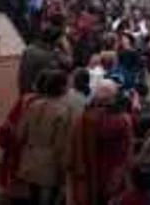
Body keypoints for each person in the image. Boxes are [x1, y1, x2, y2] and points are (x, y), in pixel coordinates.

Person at [67, 79, 134, 205]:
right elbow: (128, 149)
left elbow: (74, 146)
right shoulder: (123, 120)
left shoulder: (83, 119)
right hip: (114, 173)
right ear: (114, 97)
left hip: (88, 173)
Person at [17, 69, 73, 205]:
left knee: (32, 197)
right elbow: (60, 144)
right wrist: (64, 168)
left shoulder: (32, 105)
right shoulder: (63, 111)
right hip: (49, 163)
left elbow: (20, 134)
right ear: (61, 87)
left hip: (29, 158)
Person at [18, 25, 64, 95]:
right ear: (54, 41)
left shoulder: (29, 48)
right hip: (37, 93)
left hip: (24, 88)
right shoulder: (48, 56)